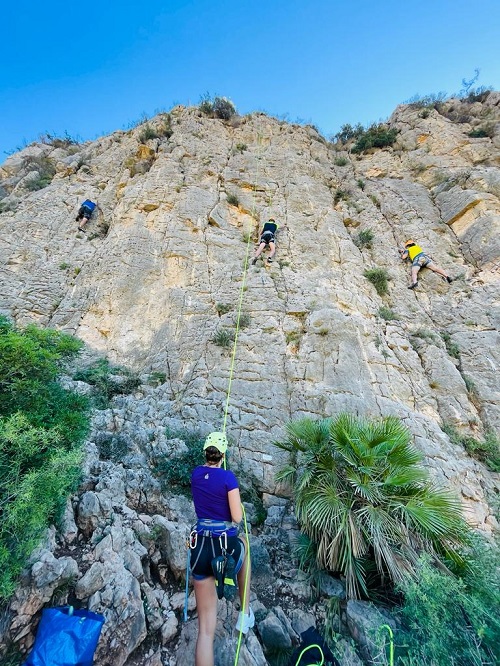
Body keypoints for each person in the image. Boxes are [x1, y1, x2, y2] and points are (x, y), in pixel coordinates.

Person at [190, 432, 253, 666]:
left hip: (200, 551)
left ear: (205, 452)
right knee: (245, 543)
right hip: (223, 549)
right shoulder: (228, 478)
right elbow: (236, 518)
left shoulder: (196, 474)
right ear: (223, 455)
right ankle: (245, 613)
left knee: (205, 631)